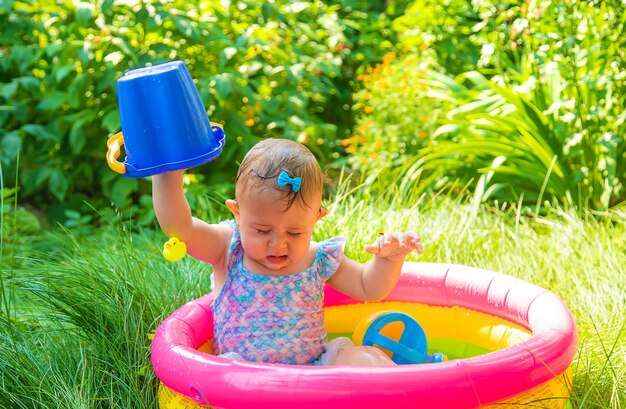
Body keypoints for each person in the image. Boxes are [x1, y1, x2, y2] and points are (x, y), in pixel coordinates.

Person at [152, 138, 423, 366]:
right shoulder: (228, 249)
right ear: (237, 212)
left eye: (295, 233)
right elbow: (181, 228)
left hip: (311, 373)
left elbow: (368, 287)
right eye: (261, 230)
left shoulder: (319, 258)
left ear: (316, 219)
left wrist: (389, 260)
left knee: (369, 360)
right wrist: (167, 174)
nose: (278, 244)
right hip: (241, 378)